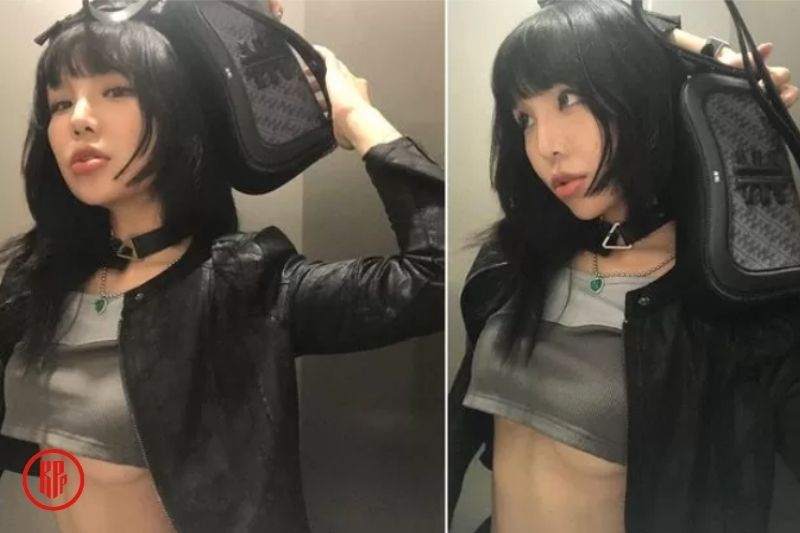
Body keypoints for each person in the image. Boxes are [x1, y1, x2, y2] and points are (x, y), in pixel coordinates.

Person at [0, 1, 443, 532]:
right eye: (59, 102)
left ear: (177, 110)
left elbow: (434, 277)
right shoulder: (37, 283)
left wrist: (356, 117)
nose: (78, 119)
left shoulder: (244, 286)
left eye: (115, 91)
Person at [448, 1, 798, 533]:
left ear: (641, 93)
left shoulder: (724, 293)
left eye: (568, 98)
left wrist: (735, 123)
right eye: (525, 119)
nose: (545, 146)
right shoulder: (514, 258)